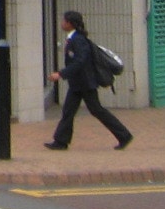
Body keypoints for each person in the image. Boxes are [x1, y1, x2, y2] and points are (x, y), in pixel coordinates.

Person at [45, 10, 132, 151]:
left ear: (70, 24)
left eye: (64, 21)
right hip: (78, 83)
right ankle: (61, 141)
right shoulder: (74, 39)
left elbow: (80, 62)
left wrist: (61, 74)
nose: (62, 23)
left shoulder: (78, 40)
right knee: (68, 111)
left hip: (85, 83)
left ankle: (124, 135)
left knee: (97, 110)